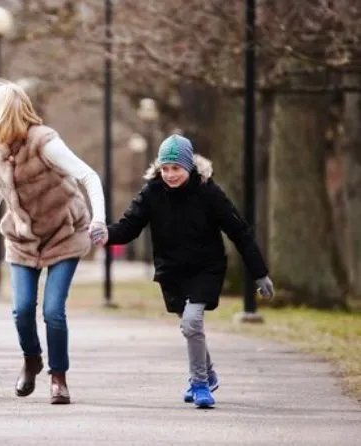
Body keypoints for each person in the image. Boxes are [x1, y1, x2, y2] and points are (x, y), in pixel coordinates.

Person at [100, 134, 275, 408]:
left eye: (176, 169)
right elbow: (129, 226)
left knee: (193, 322)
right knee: (189, 326)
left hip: (206, 267)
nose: (170, 175)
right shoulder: (152, 192)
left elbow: (239, 231)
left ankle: (200, 384)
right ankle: (209, 373)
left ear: (189, 167)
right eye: (165, 168)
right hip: (172, 271)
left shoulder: (208, 192)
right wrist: (105, 235)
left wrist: (259, 273)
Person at [0, 79, 107, 405]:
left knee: (53, 311)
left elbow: (89, 176)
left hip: (63, 234)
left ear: (5, 113)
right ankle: (32, 358)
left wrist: (98, 218)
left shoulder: (44, 142)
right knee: (21, 310)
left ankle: (58, 378)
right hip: (22, 238)